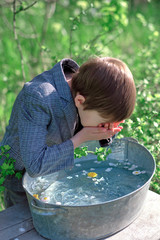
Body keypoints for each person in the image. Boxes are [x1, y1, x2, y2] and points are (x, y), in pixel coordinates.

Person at [0, 57, 136, 207]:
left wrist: (107, 131)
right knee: (23, 224)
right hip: (20, 176)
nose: (107, 126)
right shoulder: (38, 98)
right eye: (104, 122)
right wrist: (81, 138)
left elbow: (89, 119)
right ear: (79, 101)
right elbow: (35, 165)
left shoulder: (88, 89)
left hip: (55, 168)